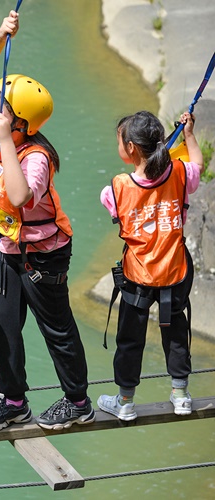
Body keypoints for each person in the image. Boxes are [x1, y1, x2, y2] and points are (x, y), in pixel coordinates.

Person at [0, 10, 95, 431]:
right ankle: (15, 400)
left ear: (20, 124)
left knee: (55, 328)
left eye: (2, 112)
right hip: (7, 248)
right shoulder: (7, 126)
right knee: (1, 328)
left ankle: (78, 401)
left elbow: (20, 196)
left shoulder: (35, 157)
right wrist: (0, 37)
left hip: (43, 257)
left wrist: (3, 138)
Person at [97, 111, 203, 421]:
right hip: (174, 271)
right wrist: (189, 135)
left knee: (130, 337)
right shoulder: (181, 174)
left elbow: (120, 207)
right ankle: (181, 395)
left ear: (130, 148)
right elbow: (197, 164)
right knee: (175, 332)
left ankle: (125, 401)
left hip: (138, 276)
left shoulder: (115, 189)